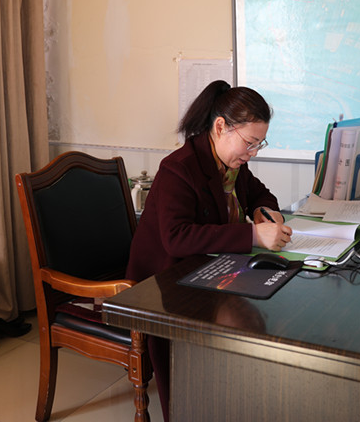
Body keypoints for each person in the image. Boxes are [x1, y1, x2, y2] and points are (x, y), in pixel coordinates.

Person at [125, 80, 292, 420]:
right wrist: (253, 235)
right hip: (163, 285)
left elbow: (261, 194)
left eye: (259, 144)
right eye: (250, 142)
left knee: (268, 311)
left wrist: (264, 212)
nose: (253, 153)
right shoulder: (179, 168)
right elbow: (177, 238)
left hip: (208, 271)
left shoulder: (232, 165)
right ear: (220, 127)